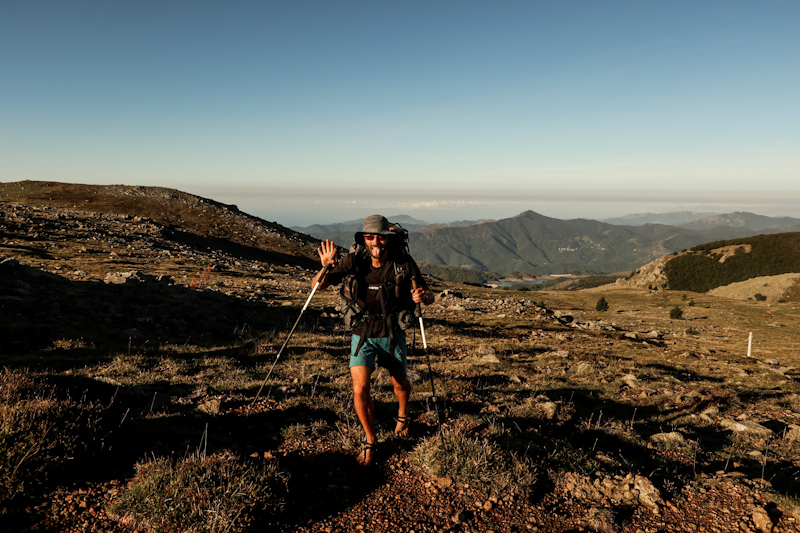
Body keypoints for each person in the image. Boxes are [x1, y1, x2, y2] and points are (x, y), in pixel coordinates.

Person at [312, 215, 434, 466]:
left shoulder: (402, 262)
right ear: (363, 239)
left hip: (392, 332)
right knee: (359, 389)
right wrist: (325, 265)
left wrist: (425, 297)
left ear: (388, 237)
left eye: (380, 236)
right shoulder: (353, 260)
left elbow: (427, 295)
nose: (376, 241)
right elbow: (317, 286)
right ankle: (370, 439)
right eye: (370, 236)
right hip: (362, 332)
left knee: (400, 384)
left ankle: (402, 413)